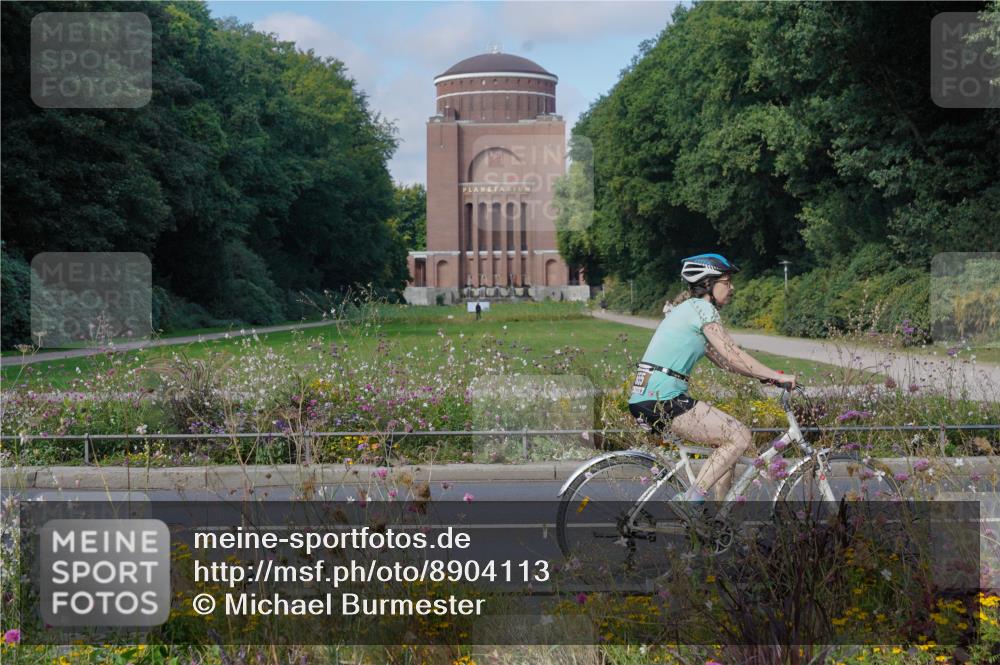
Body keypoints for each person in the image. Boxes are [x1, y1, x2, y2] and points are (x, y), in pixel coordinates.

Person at [628, 253, 796, 507]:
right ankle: (691, 499)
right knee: (739, 436)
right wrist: (775, 375)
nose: (732, 288)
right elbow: (732, 353)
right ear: (708, 283)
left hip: (650, 397)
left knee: (727, 443)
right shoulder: (702, 308)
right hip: (662, 398)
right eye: (727, 282)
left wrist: (767, 378)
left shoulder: (687, 311)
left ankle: (718, 521)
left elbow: (725, 362)